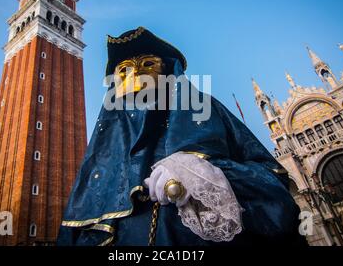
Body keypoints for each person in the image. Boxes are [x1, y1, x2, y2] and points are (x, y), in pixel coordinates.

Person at [57, 27, 306, 246]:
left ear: (167, 72)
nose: (135, 75)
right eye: (124, 69)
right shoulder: (107, 147)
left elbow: (274, 183)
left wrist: (201, 174)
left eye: (147, 64)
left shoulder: (205, 109)